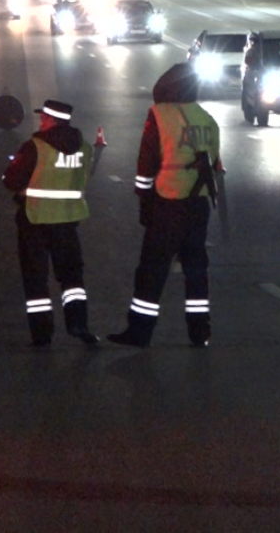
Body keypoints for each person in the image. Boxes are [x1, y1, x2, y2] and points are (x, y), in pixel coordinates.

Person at [108, 63, 222, 348]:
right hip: (199, 206)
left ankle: (140, 330)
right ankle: (200, 331)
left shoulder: (159, 116)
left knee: (151, 270)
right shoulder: (208, 119)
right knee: (196, 270)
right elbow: (217, 165)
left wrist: (144, 202)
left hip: (167, 204)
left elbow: (146, 165)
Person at [2, 100, 99, 347]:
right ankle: (78, 324)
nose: (41, 121)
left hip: (35, 220)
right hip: (67, 221)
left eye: (44, 117)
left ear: (52, 120)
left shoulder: (35, 147)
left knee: (36, 278)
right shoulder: (85, 148)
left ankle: (42, 333)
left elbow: (11, 180)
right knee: (72, 277)